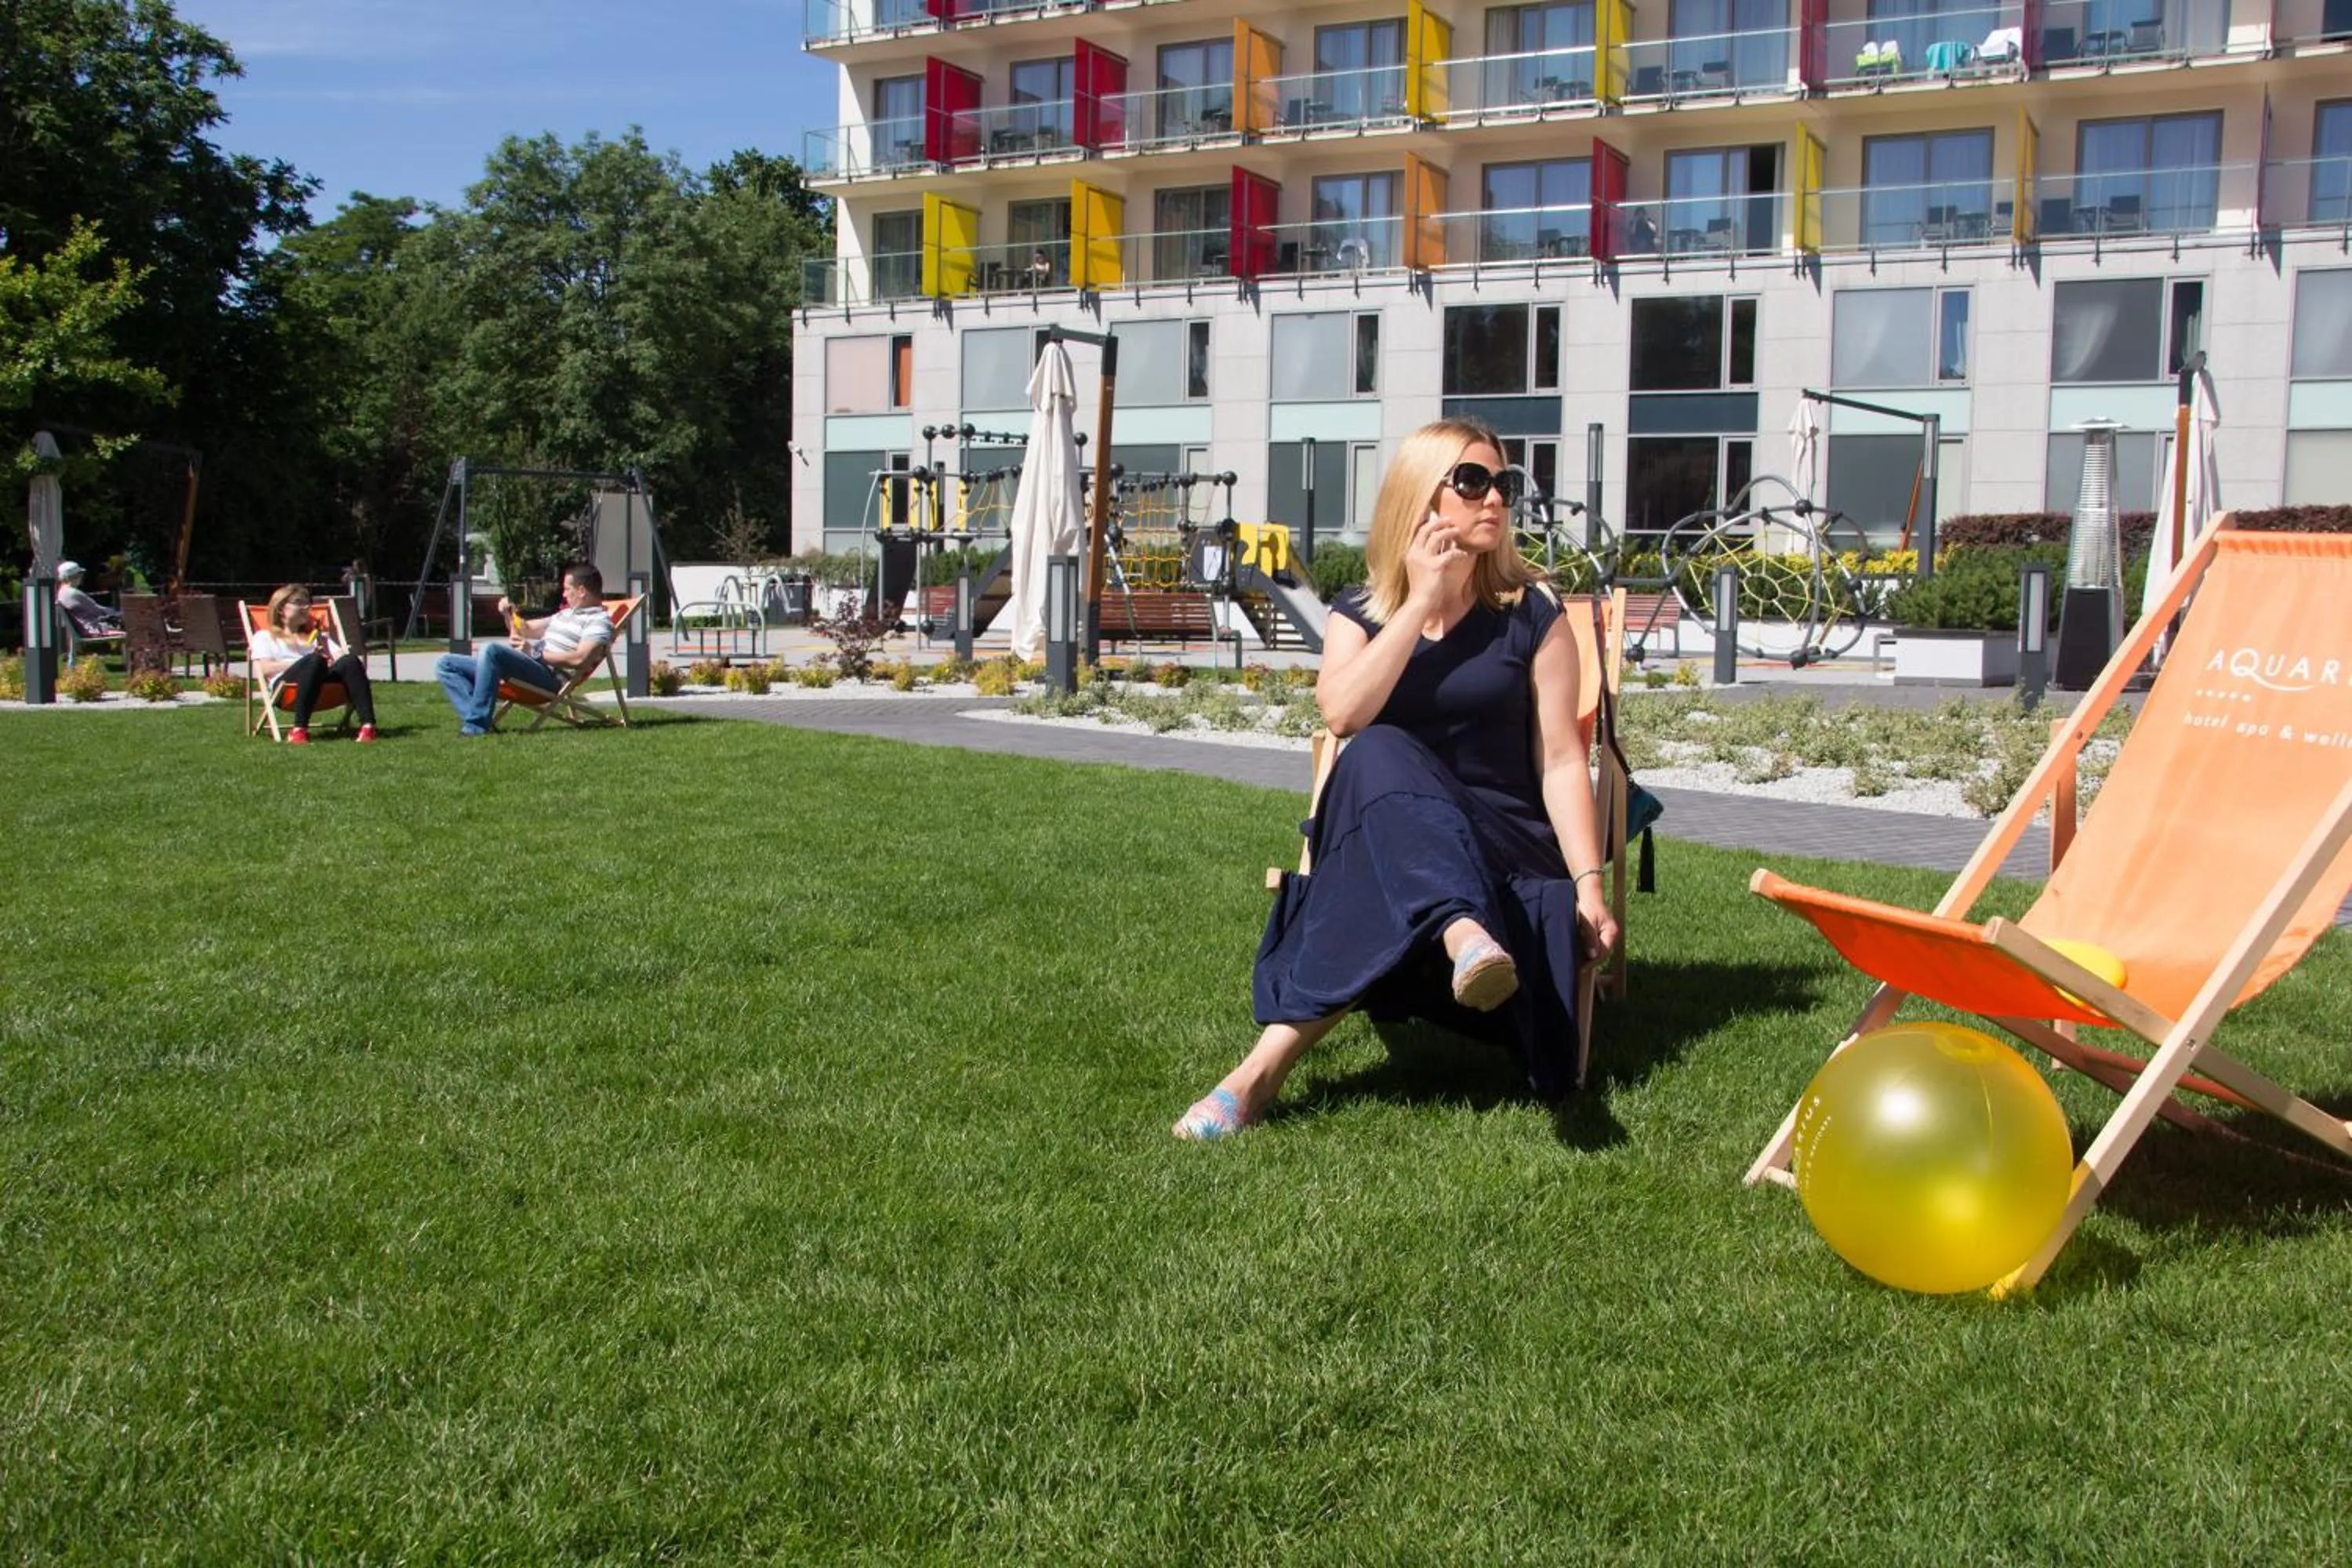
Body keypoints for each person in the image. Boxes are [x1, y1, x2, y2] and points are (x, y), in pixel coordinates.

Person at [1174, 419, 1621, 1141]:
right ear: (1422, 496)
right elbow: (1341, 714)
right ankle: (1459, 930)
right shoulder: (1362, 612)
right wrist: (1418, 603)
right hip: (1394, 834)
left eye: (1503, 484)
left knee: (1378, 776)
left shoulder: (1532, 616)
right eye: (1471, 482)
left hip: (1501, 844)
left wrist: (1590, 886)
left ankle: (1257, 1076)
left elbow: (1565, 761)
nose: (1494, 499)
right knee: (1377, 747)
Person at [433, 562, 612, 735]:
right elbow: (525, 629)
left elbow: (580, 659)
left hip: (549, 678)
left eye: (567, 589)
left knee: (490, 650)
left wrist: (535, 653)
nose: (564, 595)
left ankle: (476, 726)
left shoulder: (598, 621)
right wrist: (509, 614)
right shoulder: (564, 614)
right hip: (530, 666)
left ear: (581, 591)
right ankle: (477, 718)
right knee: (446, 664)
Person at [250, 585, 379, 743]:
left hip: (323, 685)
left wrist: (328, 653)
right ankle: (299, 730)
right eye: (299, 602)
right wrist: (302, 663)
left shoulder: (318, 637)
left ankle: (368, 727)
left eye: (307, 603)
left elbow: (342, 661)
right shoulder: (265, 636)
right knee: (314, 660)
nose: (306, 607)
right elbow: (263, 669)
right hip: (287, 691)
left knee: (350, 660)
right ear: (281, 608)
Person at [53, 561, 122, 638]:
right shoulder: (74, 594)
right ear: (75, 576)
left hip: (84, 629)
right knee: (130, 628)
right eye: (80, 574)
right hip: (93, 629)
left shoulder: (62, 592)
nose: (82, 577)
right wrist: (118, 613)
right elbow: (98, 611)